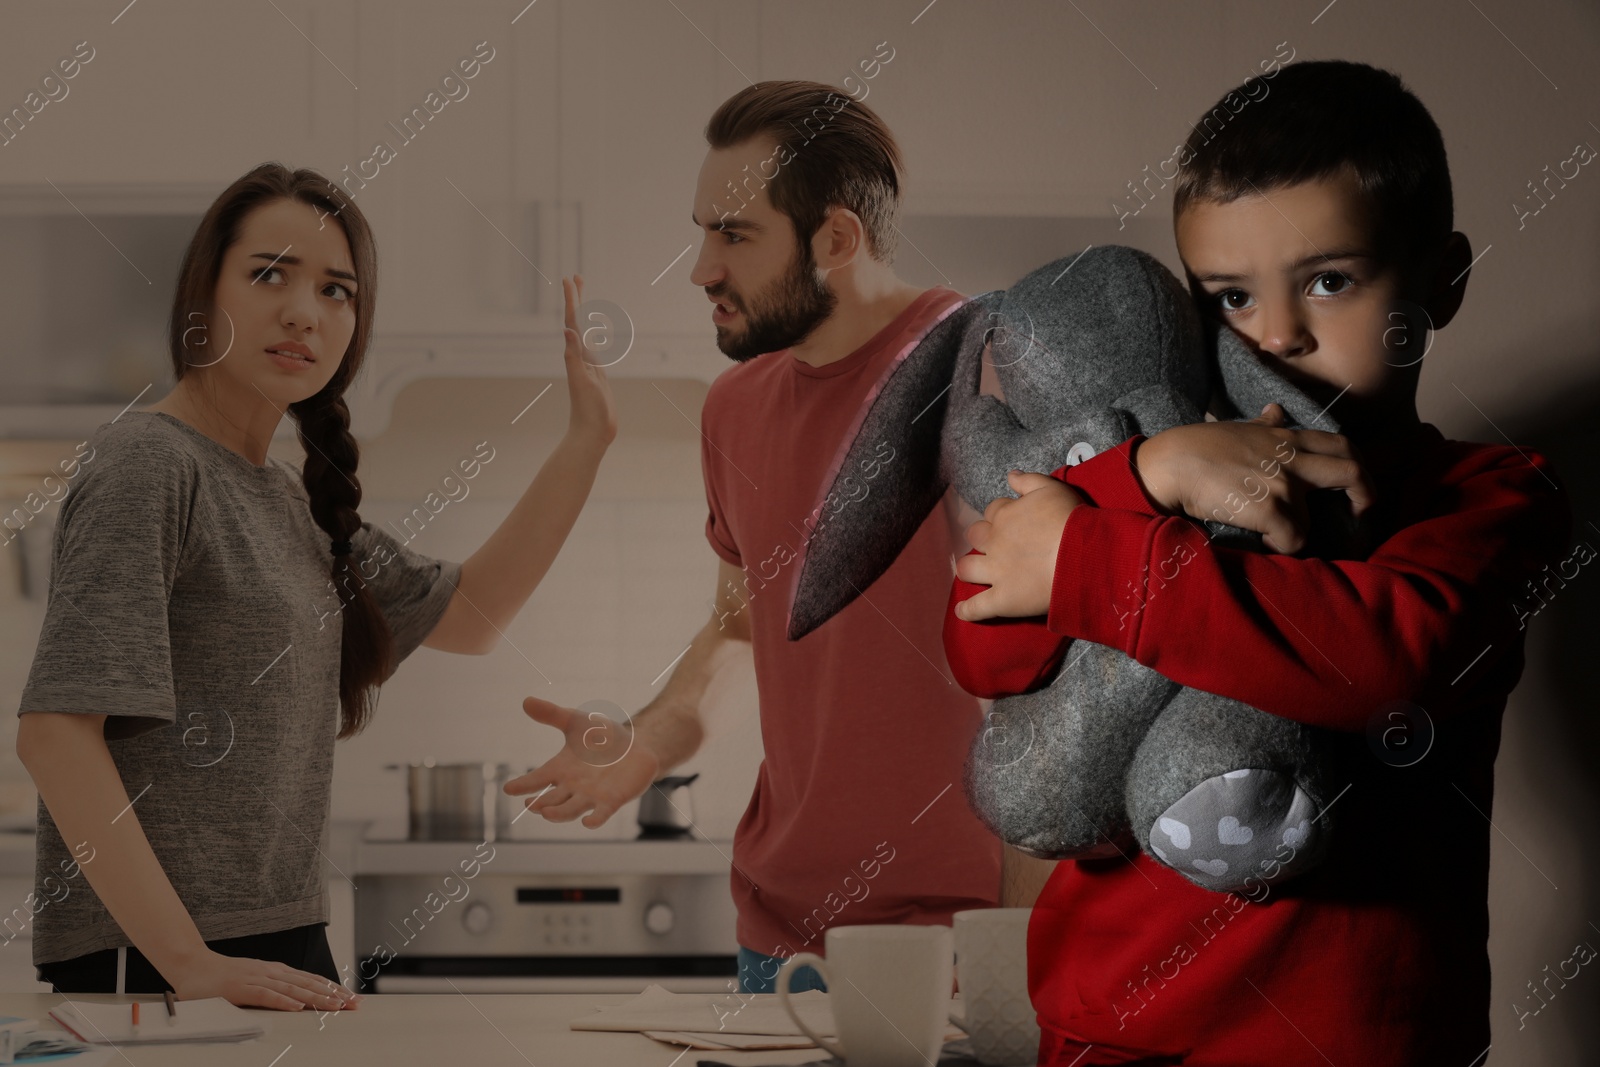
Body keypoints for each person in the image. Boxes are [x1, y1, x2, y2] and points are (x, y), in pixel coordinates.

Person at [945, 61, 1573, 1065]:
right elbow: (981, 649)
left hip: (1345, 1039)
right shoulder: (1147, 479)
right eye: (1230, 295)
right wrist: (1148, 471)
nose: (1277, 332)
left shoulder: (1491, 494)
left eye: (1330, 280)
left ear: (1440, 279)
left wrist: (1093, 560)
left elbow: (1387, 655)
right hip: (1100, 1023)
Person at [16, 162, 617, 1010]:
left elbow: (476, 613)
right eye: (269, 274)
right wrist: (191, 962)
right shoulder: (148, 462)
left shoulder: (294, 499)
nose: (304, 310)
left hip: (278, 939)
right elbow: (54, 735)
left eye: (337, 290)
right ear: (204, 293)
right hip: (154, 965)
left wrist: (587, 439)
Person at [503, 81, 1007, 995]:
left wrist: (1029, 948)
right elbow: (742, 627)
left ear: (837, 240)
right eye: (703, 232)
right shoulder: (734, 410)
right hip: (779, 946)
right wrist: (646, 742)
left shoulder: (988, 373)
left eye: (733, 235)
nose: (700, 268)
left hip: (964, 947)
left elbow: (1076, 675)